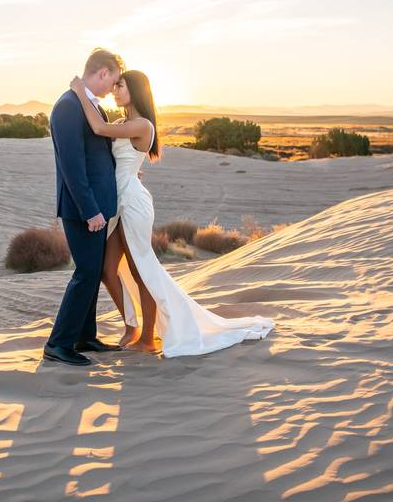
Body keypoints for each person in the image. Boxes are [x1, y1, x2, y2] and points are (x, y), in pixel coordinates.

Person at [67, 70, 275, 358]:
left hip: (133, 202)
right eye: (114, 86)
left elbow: (99, 129)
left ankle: (148, 338)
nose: (115, 91)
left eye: (120, 86)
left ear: (136, 90)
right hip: (118, 201)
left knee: (142, 270)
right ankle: (132, 327)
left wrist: (79, 91)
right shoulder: (123, 123)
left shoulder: (142, 125)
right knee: (107, 269)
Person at [42, 48, 127, 366]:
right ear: (103, 73)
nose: (113, 88)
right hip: (82, 210)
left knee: (92, 273)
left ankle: (84, 336)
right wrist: (90, 209)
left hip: (96, 207)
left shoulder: (90, 106)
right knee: (86, 272)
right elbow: (72, 166)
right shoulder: (68, 106)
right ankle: (59, 343)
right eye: (113, 81)